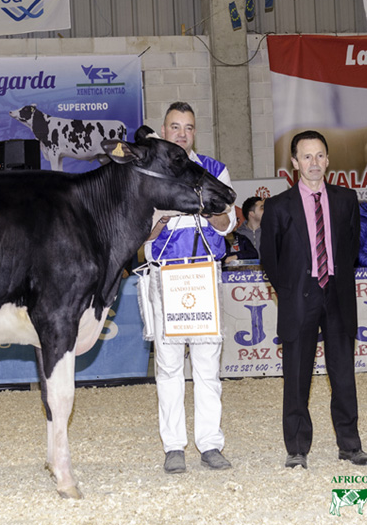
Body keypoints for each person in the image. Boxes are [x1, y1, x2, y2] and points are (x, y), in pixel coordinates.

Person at [261, 130, 367, 469]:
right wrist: (292, 288)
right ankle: (297, 447)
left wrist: (333, 277)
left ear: (328, 159)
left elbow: (351, 246)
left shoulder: (345, 199)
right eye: (306, 156)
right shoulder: (279, 206)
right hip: (300, 297)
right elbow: (270, 257)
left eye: (319, 155)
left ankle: (350, 445)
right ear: (294, 163)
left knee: (342, 376)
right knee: (297, 376)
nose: (314, 162)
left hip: (338, 295)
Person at [145, 101, 236, 474]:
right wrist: (162, 217)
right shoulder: (148, 174)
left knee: (206, 367)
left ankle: (210, 444)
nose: (182, 134)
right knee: (167, 368)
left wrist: (204, 205)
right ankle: (173, 447)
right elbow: (139, 235)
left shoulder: (214, 170)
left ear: (195, 132)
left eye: (188, 128)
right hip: (165, 276)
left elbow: (228, 223)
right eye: (175, 127)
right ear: (163, 132)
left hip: (203, 275)